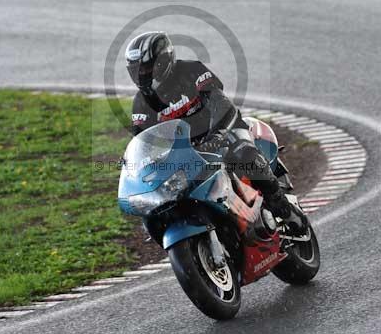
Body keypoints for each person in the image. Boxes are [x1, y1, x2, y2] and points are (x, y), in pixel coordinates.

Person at [125, 31, 307, 234]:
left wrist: (217, 135)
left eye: (148, 68)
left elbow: (221, 104)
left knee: (244, 154)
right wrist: (136, 166)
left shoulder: (191, 71)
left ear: (164, 61)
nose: (143, 75)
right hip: (188, 152)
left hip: (223, 130)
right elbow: (142, 139)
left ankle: (282, 208)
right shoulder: (141, 103)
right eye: (138, 70)